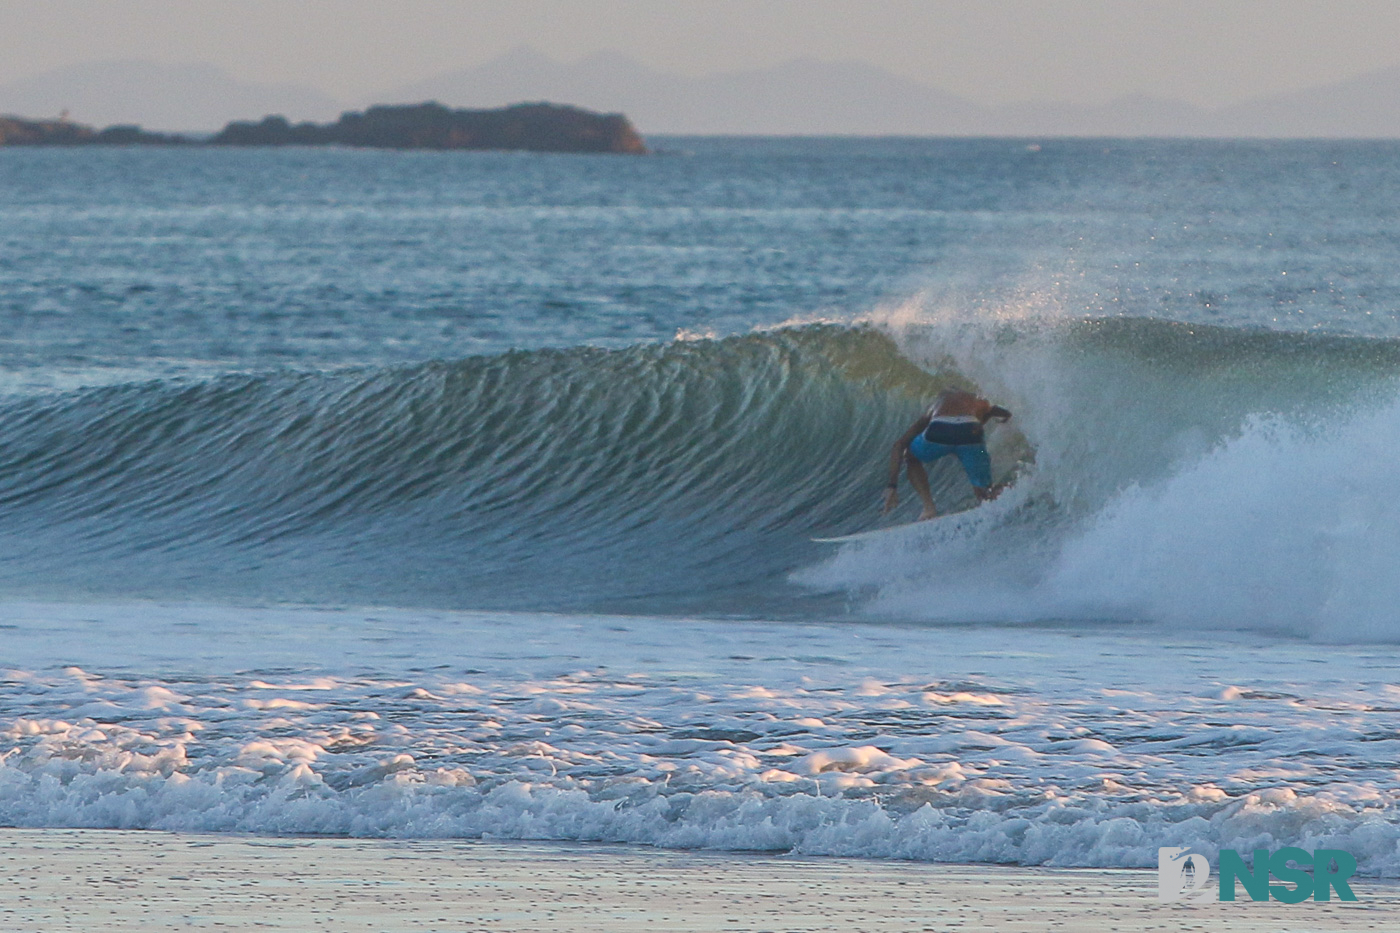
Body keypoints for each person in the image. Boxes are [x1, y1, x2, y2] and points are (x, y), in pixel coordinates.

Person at [882, 388, 1012, 520]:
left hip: (940, 428)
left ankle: (929, 508)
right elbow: (1005, 412)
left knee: (910, 455)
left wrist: (892, 485)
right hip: (971, 433)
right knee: (985, 494)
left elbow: (899, 445)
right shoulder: (980, 402)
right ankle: (1022, 487)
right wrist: (1007, 416)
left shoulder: (936, 405)